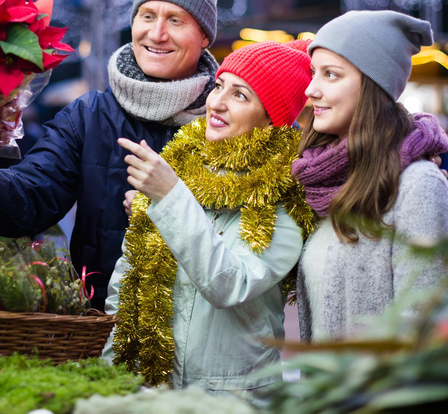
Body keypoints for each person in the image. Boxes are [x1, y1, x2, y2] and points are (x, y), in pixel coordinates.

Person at [0, 0, 218, 310]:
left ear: (205, 37)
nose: (157, 33)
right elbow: (28, 202)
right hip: (107, 333)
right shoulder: (89, 116)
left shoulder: (226, 120)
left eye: (176, 20)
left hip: (207, 336)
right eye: (147, 15)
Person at [104, 40, 315, 404]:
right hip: (149, 392)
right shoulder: (182, 166)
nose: (216, 102)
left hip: (232, 400)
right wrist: (109, 377)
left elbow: (229, 284)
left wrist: (169, 197)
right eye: (219, 86)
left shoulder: (288, 194)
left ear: (271, 117)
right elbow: (125, 285)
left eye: (241, 95)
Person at [291, 10, 448, 342]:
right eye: (315, 73)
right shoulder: (323, 181)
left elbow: (427, 333)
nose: (311, 89)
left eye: (332, 75)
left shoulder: (418, 187)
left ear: (373, 85)